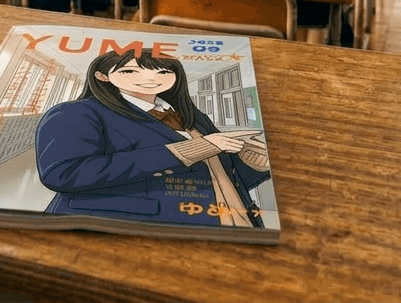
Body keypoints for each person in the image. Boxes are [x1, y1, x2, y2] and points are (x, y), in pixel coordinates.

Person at [35, 49, 270, 227]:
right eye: (129, 71)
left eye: (163, 71)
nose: (149, 78)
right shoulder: (76, 112)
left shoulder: (190, 115)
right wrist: (185, 151)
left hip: (221, 223)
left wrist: (254, 164)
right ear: (102, 76)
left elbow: (215, 180)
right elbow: (64, 174)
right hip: (120, 229)